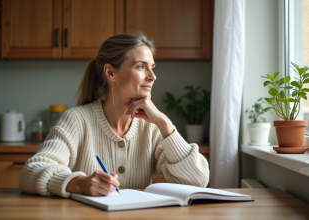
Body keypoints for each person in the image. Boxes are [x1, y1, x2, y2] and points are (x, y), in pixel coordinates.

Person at [19, 33, 209, 198]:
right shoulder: (76, 120)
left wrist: (163, 123)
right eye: (141, 67)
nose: (152, 76)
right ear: (110, 72)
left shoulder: (152, 126)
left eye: (153, 67)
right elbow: (30, 172)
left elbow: (197, 180)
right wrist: (79, 183)